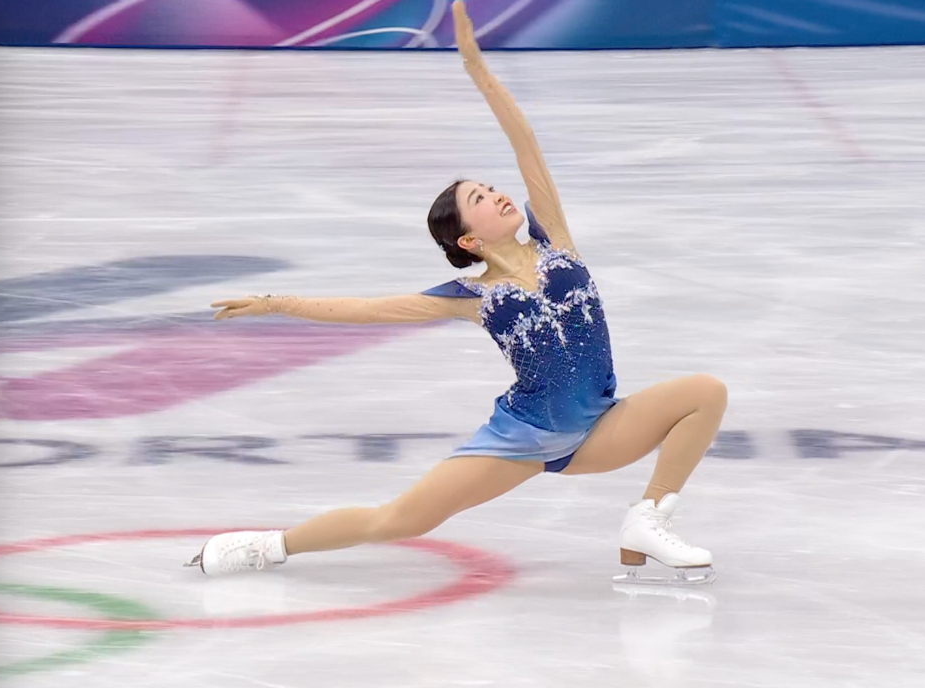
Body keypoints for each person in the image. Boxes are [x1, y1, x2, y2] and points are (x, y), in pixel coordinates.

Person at [187, 1, 727, 586]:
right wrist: (276, 303)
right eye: (480, 198)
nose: (497, 195)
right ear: (469, 239)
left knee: (705, 392)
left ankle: (647, 519)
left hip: (597, 428)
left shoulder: (554, 240)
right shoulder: (472, 297)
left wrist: (478, 70)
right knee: (399, 520)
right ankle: (268, 546)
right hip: (521, 438)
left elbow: (525, 144)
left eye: (491, 188)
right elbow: (366, 311)